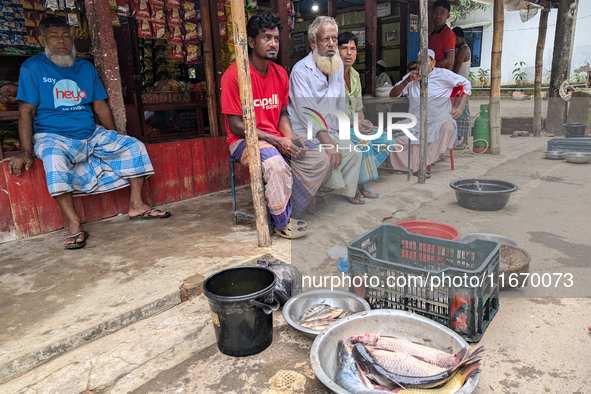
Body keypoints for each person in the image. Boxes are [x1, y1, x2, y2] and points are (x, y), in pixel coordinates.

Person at [0, 17, 170, 250]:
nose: (61, 40)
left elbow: (100, 106)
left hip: (90, 132)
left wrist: (114, 137)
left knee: (132, 146)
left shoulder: (85, 68)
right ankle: (74, 223)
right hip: (51, 135)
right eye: (54, 36)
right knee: (53, 158)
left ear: (73, 39)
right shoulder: (33, 67)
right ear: (43, 40)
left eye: (66, 35)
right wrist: (27, 152)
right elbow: (26, 112)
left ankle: (136, 205)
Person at [221, 12, 329, 238]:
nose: (273, 43)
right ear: (251, 42)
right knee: (275, 163)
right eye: (266, 38)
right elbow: (235, 125)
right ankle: (281, 223)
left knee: (319, 157)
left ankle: (289, 206)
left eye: (276, 38)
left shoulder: (280, 74)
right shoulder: (234, 76)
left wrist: (288, 139)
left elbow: (282, 115)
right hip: (242, 140)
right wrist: (277, 141)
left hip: (273, 137)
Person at [288, 16, 364, 205]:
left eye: (334, 39)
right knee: (328, 155)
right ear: (313, 43)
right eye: (325, 39)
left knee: (354, 152)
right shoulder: (301, 71)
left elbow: (339, 104)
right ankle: (316, 193)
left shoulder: (336, 65)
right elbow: (308, 114)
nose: (331, 44)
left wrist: (340, 134)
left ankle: (331, 191)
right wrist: (330, 144)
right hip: (306, 133)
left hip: (329, 130)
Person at [388, 49, 471, 178]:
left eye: (424, 62)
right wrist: (407, 81)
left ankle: (423, 164)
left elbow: (466, 83)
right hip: (415, 121)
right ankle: (411, 166)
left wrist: (461, 106)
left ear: (433, 63)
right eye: (419, 62)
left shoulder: (444, 74)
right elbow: (392, 95)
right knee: (391, 132)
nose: (421, 65)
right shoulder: (411, 77)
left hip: (439, 119)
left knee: (448, 127)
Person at [339, 31, 392, 199]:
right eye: (344, 48)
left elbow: (358, 109)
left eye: (353, 49)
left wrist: (363, 124)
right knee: (363, 143)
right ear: (336, 51)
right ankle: (357, 185)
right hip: (337, 126)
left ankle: (361, 175)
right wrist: (355, 125)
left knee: (386, 139)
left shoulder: (355, 76)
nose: (349, 53)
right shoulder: (331, 76)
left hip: (354, 124)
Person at [452, 26, 472, 150]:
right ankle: (461, 139)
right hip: (461, 85)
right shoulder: (464, 49)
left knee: (463, 112)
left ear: (458, 38)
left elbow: (455, 71)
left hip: (461, 86)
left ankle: (465, 141)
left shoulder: (462, 51)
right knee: (459, 111)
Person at [429, 0, 456, 69]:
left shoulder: (448, 34)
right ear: (432, 15)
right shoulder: (431, 36)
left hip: (440, 76)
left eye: (442, 13)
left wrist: (430, 66)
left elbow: (450, 61)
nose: (438, 16)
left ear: (448, 16)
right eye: (436, 12)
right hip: (431, 75)